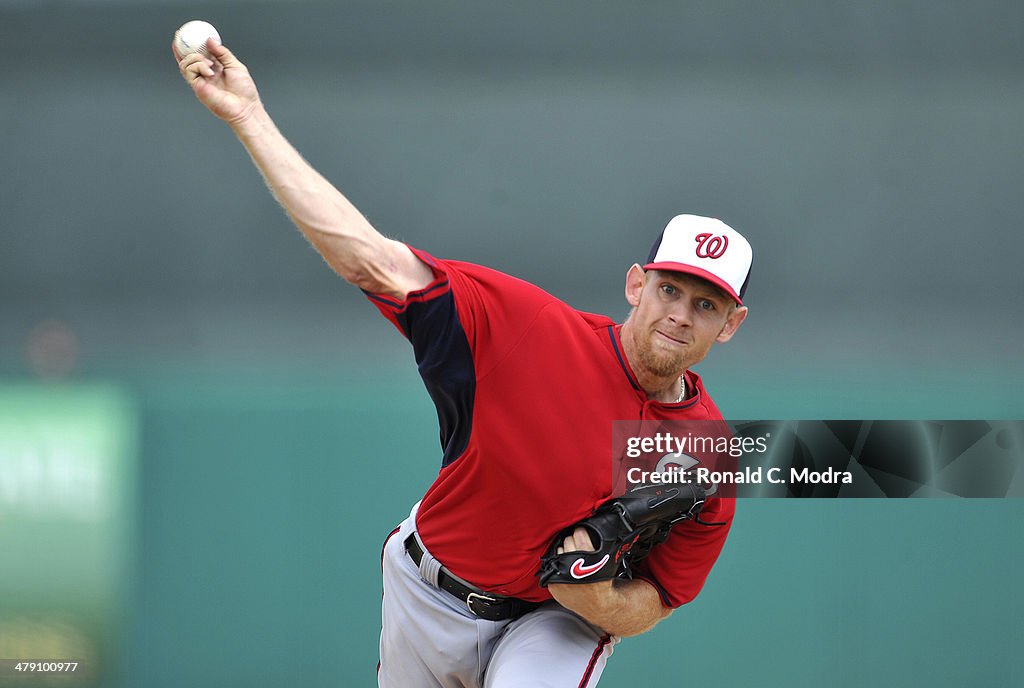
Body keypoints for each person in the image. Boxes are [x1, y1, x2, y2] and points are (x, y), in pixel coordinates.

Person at [174, 38, 751, 688]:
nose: (679, 314)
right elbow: (371, 260)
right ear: (635, 285)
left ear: (731, 325)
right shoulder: (527, 330)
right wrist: (249, 117)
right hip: (425, 591)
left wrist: (601, 601)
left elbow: (661, 595)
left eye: (706, 304)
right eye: (669, 290)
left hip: (553, 622)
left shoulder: (710, 455)